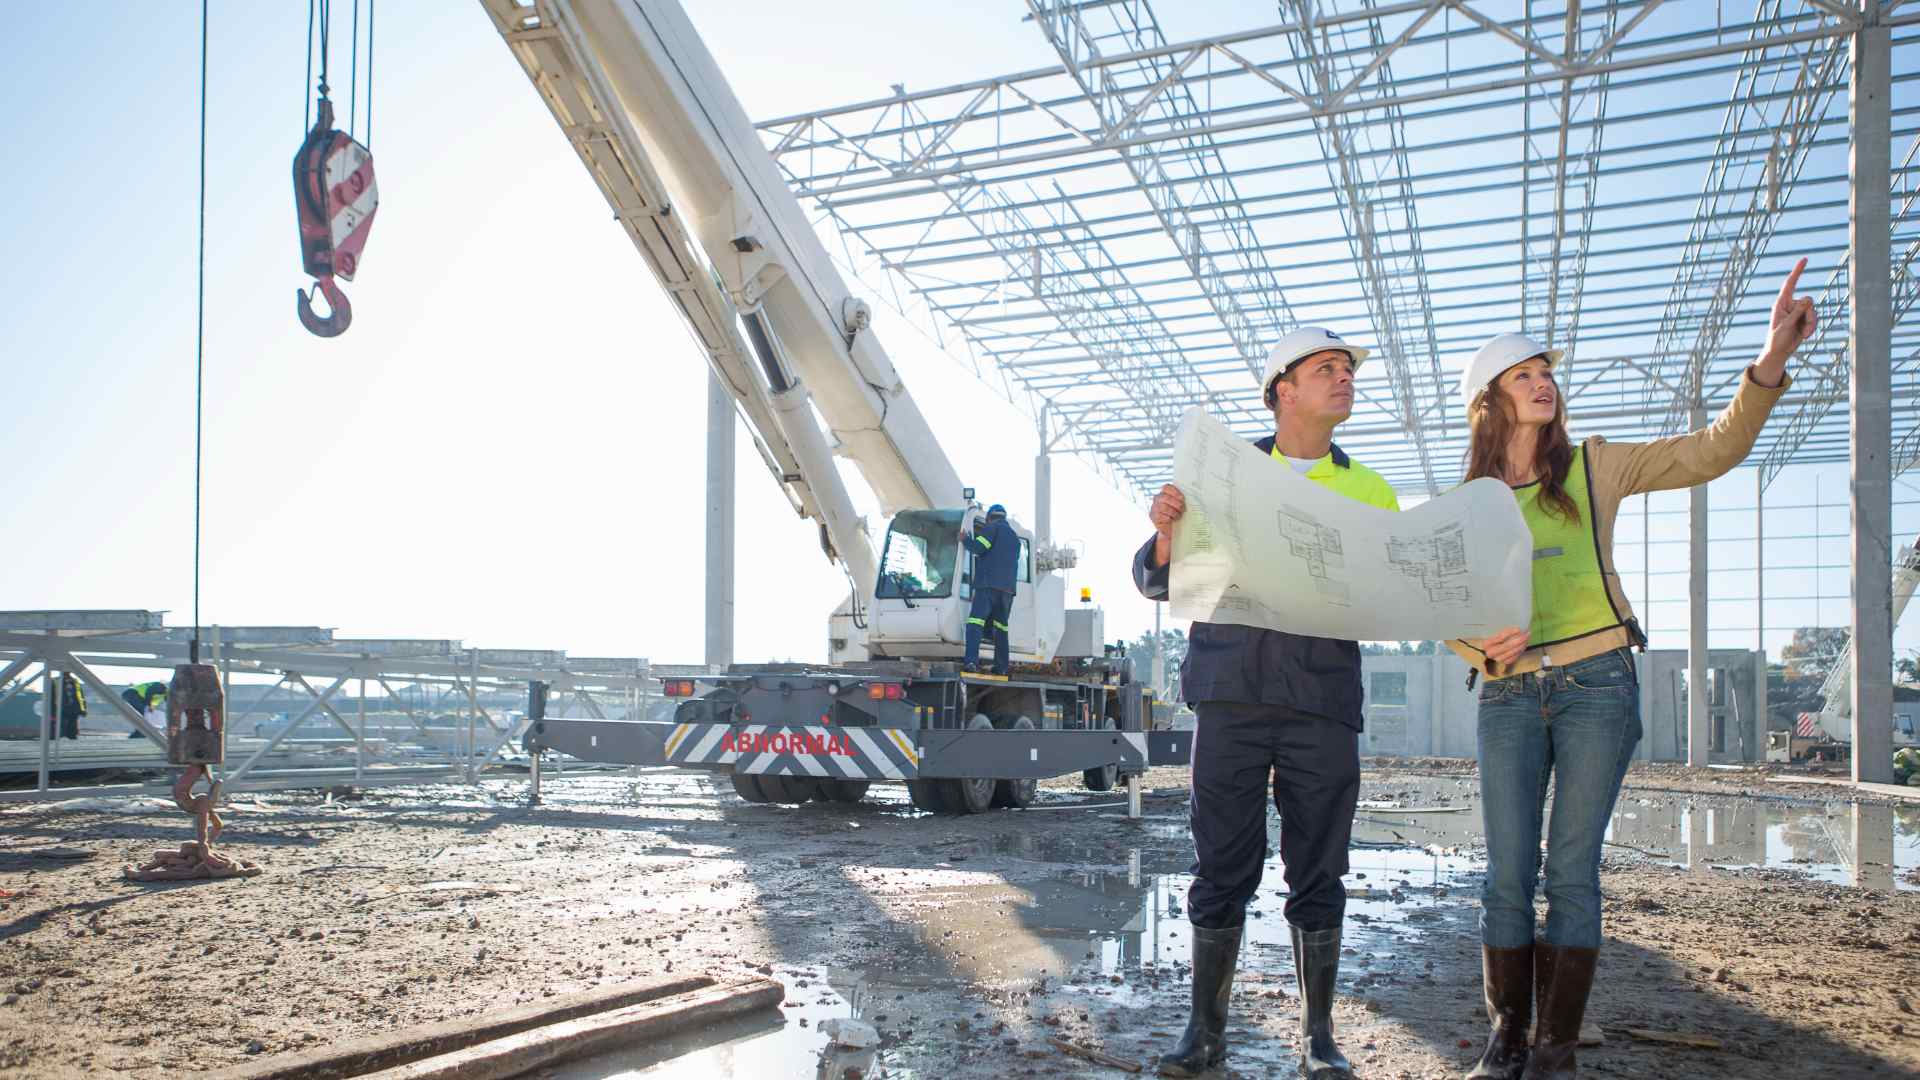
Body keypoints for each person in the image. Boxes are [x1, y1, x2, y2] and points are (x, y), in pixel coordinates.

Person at [1451, 259, 1816, 1079]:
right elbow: (1439, 607)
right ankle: (1505, 1041)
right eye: (1524, 375)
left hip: (1597, 687)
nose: (1544, 383)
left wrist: (1768, 363)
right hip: (1507, 698)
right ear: (1491, 399)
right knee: (1505, 875)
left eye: (1547, 372)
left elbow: (1711, 452)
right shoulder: (1465, 500)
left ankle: (1555, 1052)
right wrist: (1478, 650)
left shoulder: (1597, 467)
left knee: (1569, 870)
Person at [1134, 326, 1399, 1079]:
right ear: (1284, 389)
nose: (1344, 379)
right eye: (1327, 369)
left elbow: (1389, 591)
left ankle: (1319, 1036)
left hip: (1320, 699)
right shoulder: (1223, 475)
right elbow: (1157, 581)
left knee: (1319, 867)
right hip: (1231, 696)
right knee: (1222, 865)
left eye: (1348, 370)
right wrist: (1163, 536)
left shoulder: (1371, 489)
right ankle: (1203, 1031)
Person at [963, 503, 1020, 675]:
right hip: (1007, 591)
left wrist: (965, 539)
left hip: (988, 585)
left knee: (975, 623)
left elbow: (979, 548)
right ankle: (1001, 667)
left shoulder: (991, 529)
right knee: (1001, 629)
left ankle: (972, 662)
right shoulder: (1015, 538)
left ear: (989, 517)